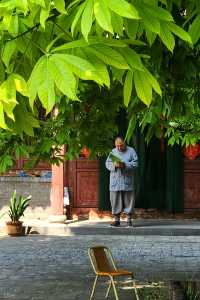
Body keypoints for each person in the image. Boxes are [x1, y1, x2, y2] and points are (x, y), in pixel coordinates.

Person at [106, 137, 138, 227]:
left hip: (127, 180)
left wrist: (125, 165)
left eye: (121, 146)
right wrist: (114, 165)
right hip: (115, 180)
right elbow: (107, 164)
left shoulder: (131, 151)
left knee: (129, 200)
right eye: (117, 146)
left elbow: (136, 164)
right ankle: (116, 220)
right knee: (115, 200)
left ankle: (129, 220)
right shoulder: (113, 151)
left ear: (124, 144)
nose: (119, 148)